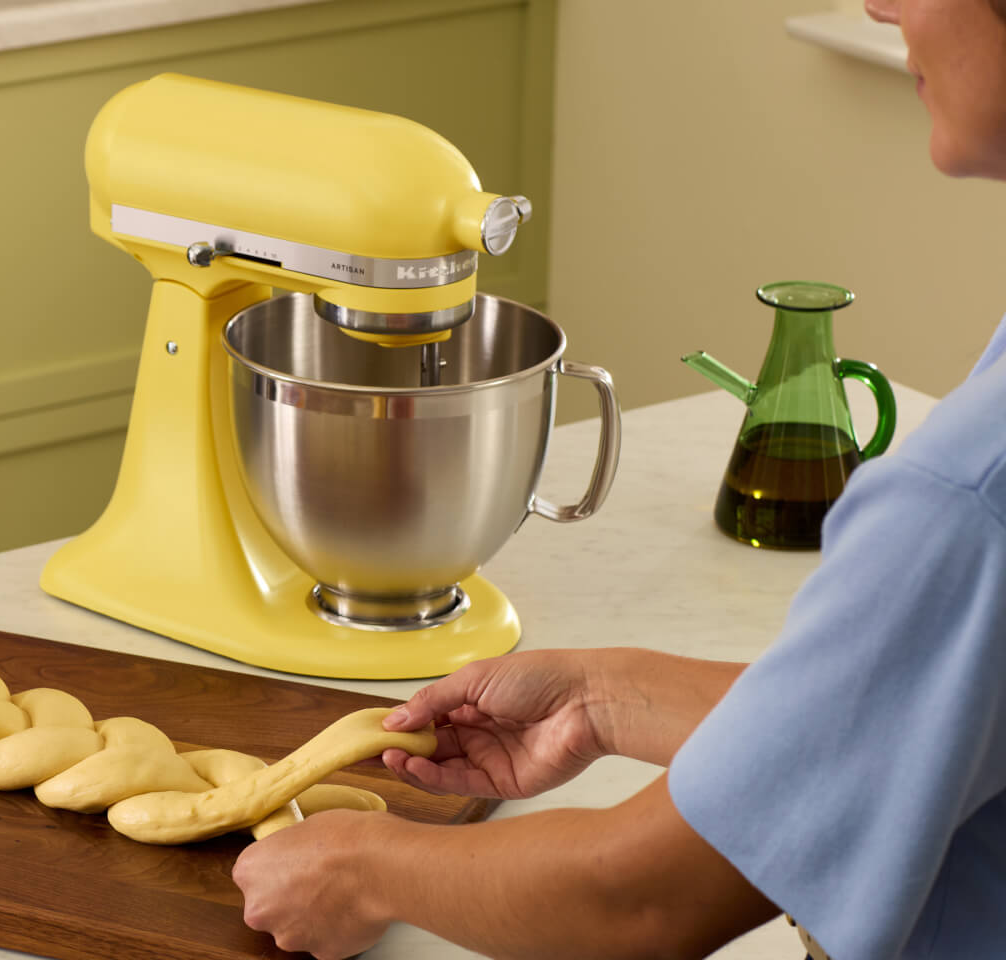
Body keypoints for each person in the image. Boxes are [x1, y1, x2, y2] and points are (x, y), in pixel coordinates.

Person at [230, 0, 1006, 957]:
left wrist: (365, 865)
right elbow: (913, 718)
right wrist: (607, 697)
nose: (883, 4)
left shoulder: (965, 497)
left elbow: (637, 902)